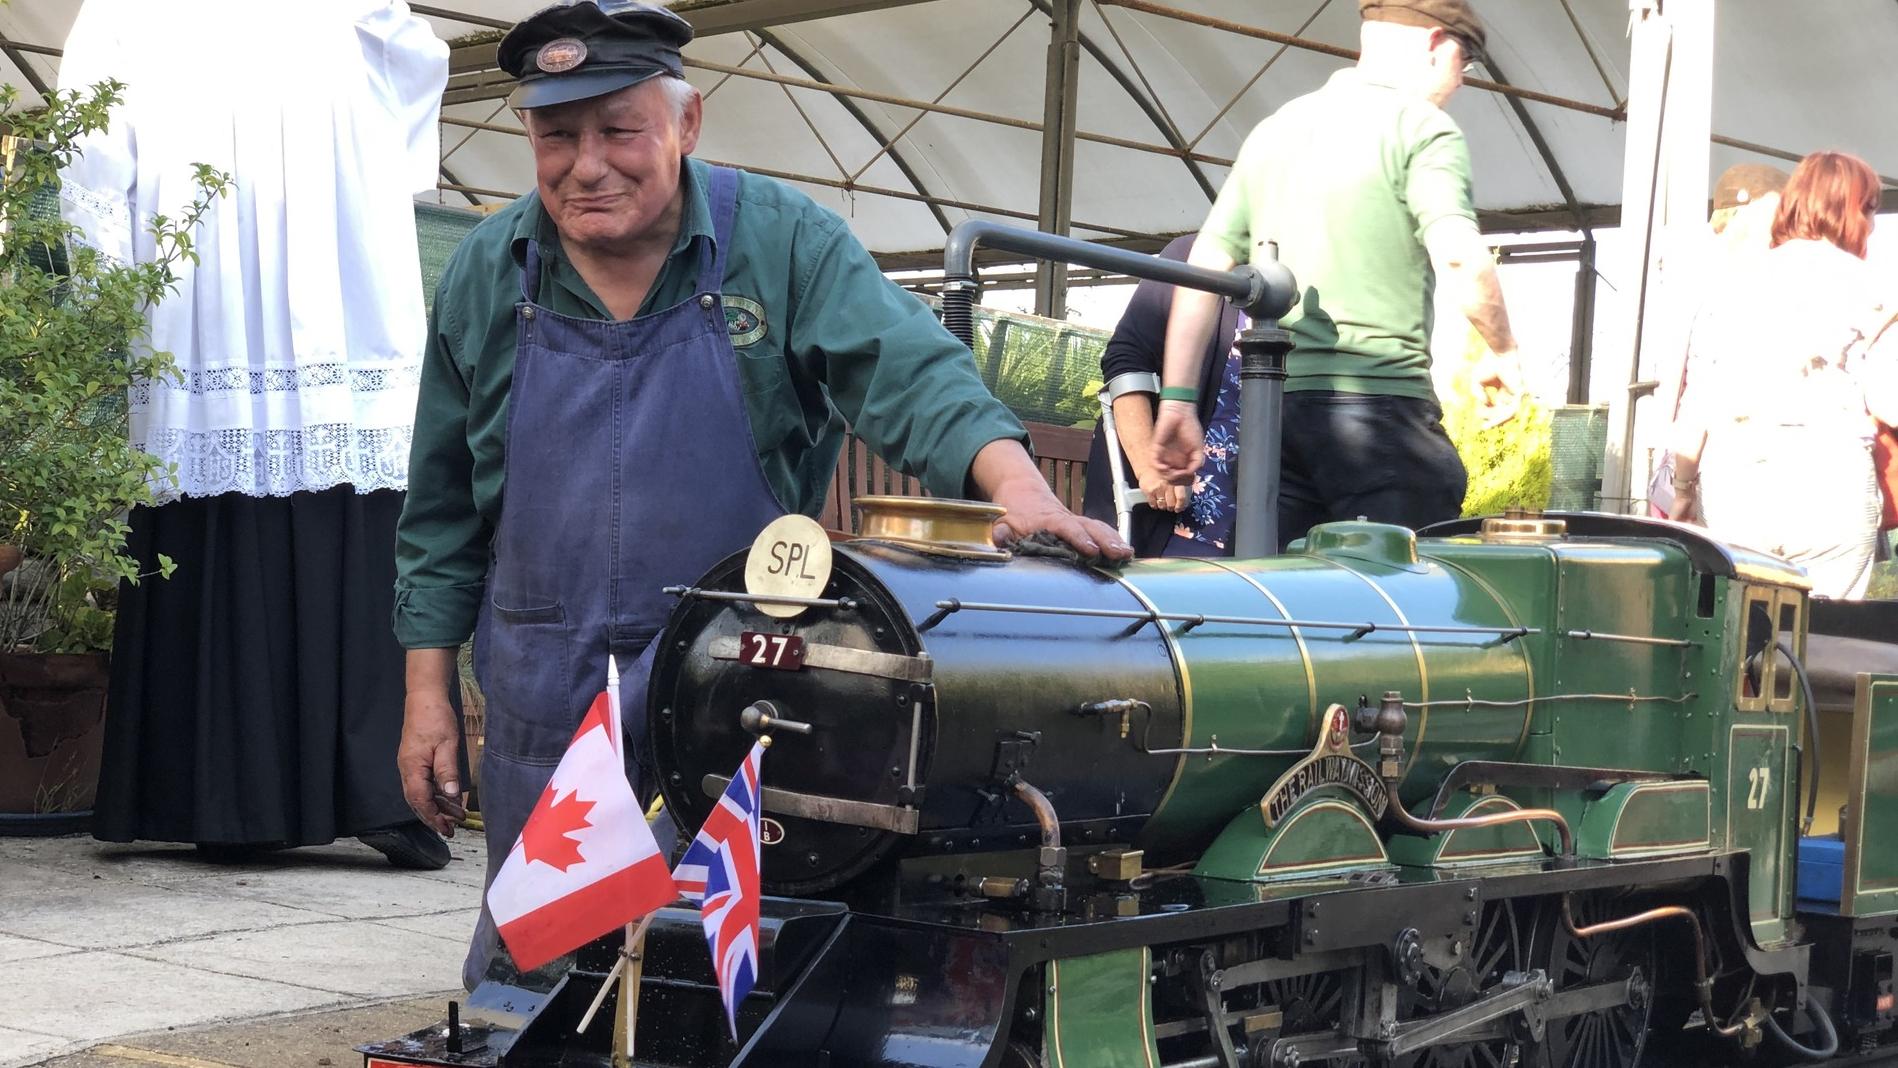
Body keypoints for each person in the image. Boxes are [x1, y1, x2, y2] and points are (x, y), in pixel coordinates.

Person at [390, 0, 1129, 988]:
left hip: (739, 689)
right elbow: (439, 507)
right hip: (543, 689)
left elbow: (911, 376)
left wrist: (1019, 488)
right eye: (555, 135)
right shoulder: (489, 270)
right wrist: (426, 694)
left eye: (619, 130)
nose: (586, 164)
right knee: (539, 972)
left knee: (724, 980)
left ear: (685, 126)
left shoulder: (781, 246)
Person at [58, 0, 452, 867]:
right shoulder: (128, 12)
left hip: (338, 305)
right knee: (214, 522)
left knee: (351, 519)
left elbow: (413, 85)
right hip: (202, 305)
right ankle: (219, 797)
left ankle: (376, 790)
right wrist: (116, 299)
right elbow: (91, 161)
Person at [1148, 0, 1523, 549]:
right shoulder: (1422, 128)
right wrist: (1504, 351)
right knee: (1401, 609)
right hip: (1379, 413)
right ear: (1437, 44)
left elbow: (1207, 265)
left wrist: (1179, 401)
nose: (1460, 83)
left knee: (1280, 601)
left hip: (1271, 419)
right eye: (1464, 64)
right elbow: (1460, 254)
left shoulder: (1275, 131)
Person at [1667, 151, 1898, 598]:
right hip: (1829, 485)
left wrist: (1683, 488)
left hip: (1736, 484)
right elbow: (1889, 399)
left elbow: (1697, 406)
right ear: (1850, 210)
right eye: (1869, 210)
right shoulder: (1870, 285)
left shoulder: (1730, 285)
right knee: (1821, 647)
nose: (1872, 225)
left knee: (1742, 638)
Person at [1082, 236, 1246, 556]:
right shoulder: (1192, 254)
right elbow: (1127, 359)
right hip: (1173, 518)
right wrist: (1149, 466)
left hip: (1269, 523)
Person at [1647, 163, 1790, 518]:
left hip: (1706, 464)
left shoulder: (1697, 272)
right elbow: (1698, 392)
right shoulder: (1728, 278)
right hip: (1732, 467)